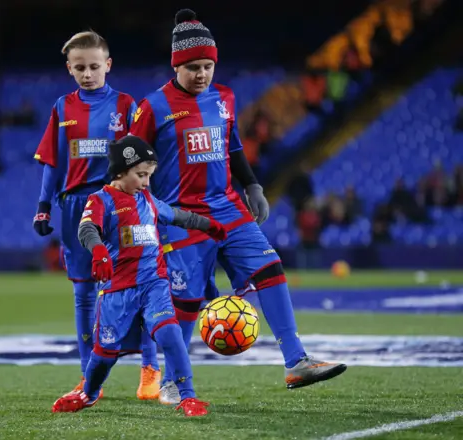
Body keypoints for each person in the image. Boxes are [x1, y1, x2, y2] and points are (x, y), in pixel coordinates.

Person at [129, 9, 347, 405]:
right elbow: (129, 162)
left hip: (228, 208)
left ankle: (296, 361)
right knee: (187, 301)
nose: (202, 74)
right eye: (193, 67)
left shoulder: (224, 97)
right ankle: (174, 381)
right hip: (181, 216)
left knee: (270, 267)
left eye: (208, 66)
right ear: (176, 65)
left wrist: (252, 185)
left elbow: (232, 147)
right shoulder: (152, 108)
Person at [52, 135, 226, 416]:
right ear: (120, 171)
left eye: (149, 175)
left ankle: (188, 396)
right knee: (104, 354)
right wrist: (98, 251)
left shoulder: (148, 199)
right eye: (141, 175)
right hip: (117, 289)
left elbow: (178, 216)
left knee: (170, 333)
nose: (146, 182)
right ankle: (89, 393)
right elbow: (86, 230)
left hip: (153, 284)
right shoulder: (100, 200)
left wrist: (209, 225)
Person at [33, 31, 162, 400]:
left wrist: (146, 198)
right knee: (84, 294)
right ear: (69, 69)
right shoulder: (62, 108)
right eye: (80, 67)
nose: (87, 73)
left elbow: (143, 158)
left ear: (108, 65)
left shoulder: (125, 106)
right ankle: (90, 377)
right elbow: (52, 161)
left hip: (121, 203)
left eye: (93, 66)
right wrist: (43, 206)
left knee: (139, 286)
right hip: (75, 206)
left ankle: (150, 370)